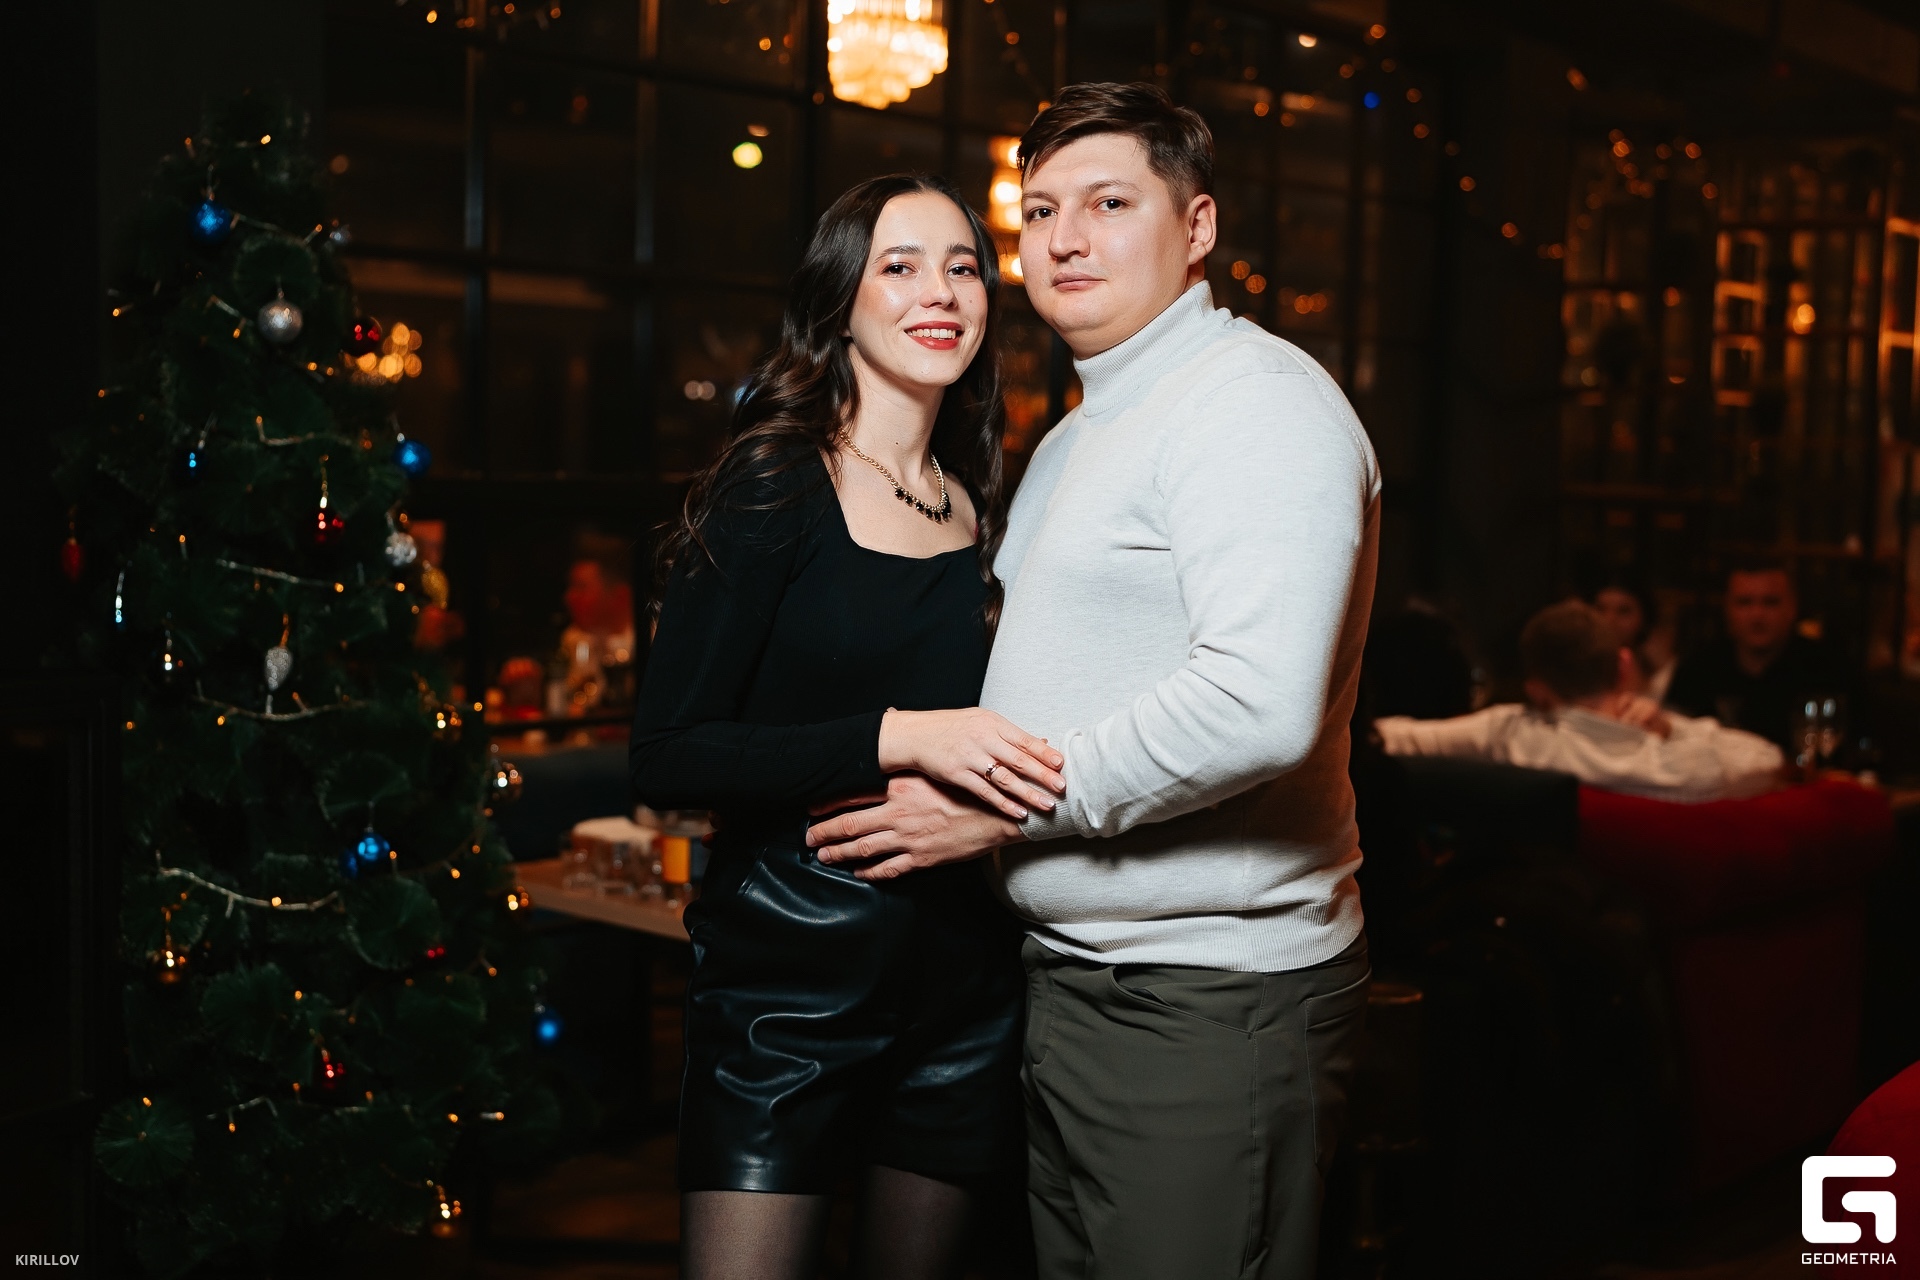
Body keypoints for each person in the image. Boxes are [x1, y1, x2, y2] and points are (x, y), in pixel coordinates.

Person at [808, 83, 1380, 1279]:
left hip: (1204, 1000)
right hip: (1077, 984)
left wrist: (1005, 806)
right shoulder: (1084, 429)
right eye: (1040, 210)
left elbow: (1256, 702)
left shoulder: (1254, 403)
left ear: (1197, 226)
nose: (1064, 238)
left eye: (1110, 203)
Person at [628, 173, 1067, 1280]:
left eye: (963, 266)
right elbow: (669, 752)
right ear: (840, 302)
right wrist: (896, 735)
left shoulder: (984, 503)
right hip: (786, 982)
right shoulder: (774, 482)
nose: (940, 293)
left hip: (965, 990)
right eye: (899, 266)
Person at [1375, 599, 1783, 802]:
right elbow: (1767, 758)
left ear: (1537, 691)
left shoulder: (1516, 735)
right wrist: (1671, 729)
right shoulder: (1680, 762)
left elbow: (1398, 737)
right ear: (1623, 666)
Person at [1664, 561, 1855, 755]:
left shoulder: (1829, 668)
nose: (1757, 615)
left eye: (1770, 602)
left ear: (1792, 607)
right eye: (1744, 602)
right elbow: (1671, 739)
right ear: (1727, 608)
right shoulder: (1699, 668)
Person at [1588, 575, 1675, 702]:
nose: (1609, 620)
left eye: (1623, 611)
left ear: (1644, 618)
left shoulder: (1655, 666)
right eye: (1601, 609)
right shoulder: (1579, 660)